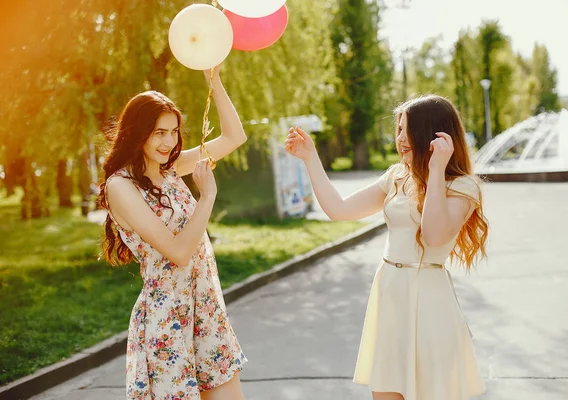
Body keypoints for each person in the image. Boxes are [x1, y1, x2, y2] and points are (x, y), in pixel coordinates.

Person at [284, 94, 489, 400]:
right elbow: (339, 209)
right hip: (391, 294)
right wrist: (310, 158)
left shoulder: (462, 186)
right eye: (399, 129)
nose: (401, 138)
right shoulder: (396, 176)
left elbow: (434, 235)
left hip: (431, 301)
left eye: (409, 130)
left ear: (433, 134)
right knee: (385, 392)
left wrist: (435, 171)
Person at [97, 65, 248, 400]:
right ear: (137, 133)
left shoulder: (171, 169)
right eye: (158, 133)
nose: (169, 142)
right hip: (168, 322)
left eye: (174, 131)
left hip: (205, 309)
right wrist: (207, 196)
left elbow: (234, 137)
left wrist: (215, 80)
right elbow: (177, 252)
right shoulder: (121, 186)